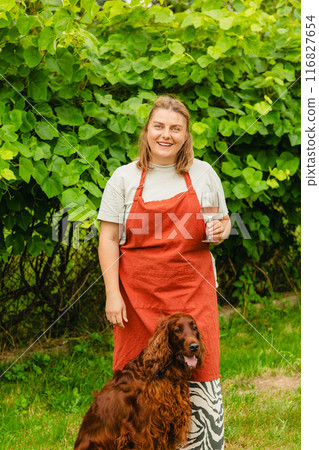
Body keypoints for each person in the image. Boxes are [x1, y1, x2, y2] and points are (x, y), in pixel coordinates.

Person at [97, 95, 231, 449]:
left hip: (192, 296)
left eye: (175, 128)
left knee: (200, 372)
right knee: (135, 390)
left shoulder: (203, 174)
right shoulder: (123, 178)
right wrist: (113, 294)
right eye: (159, 126)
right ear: (147, 131)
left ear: (186, 135)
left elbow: (222, 220)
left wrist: (221, 229)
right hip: (139, 301)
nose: (166, 135)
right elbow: (108, 237)